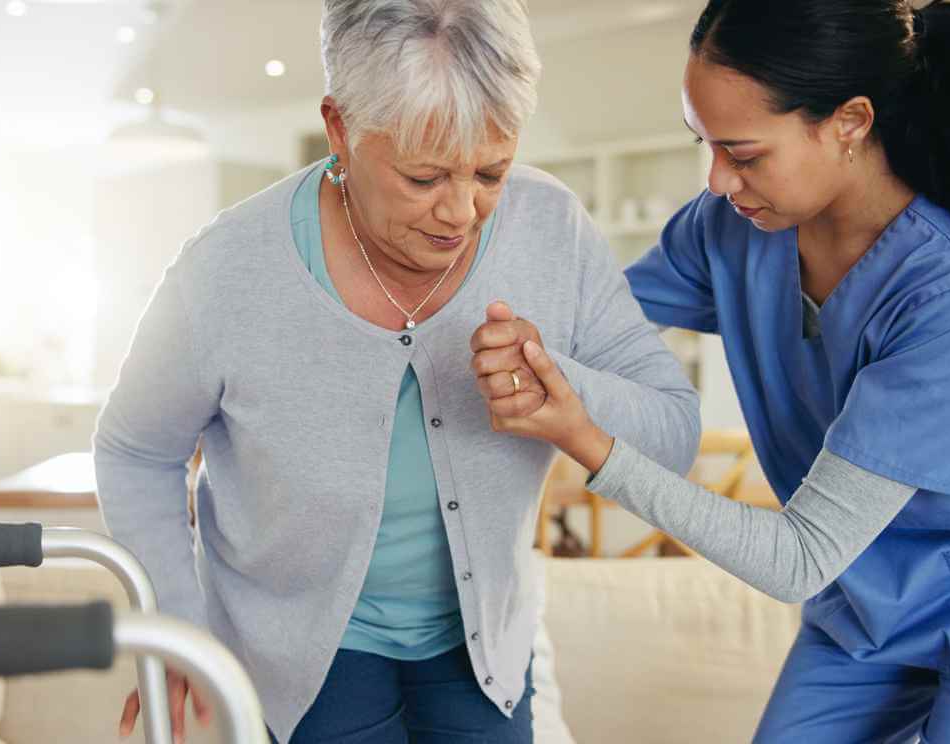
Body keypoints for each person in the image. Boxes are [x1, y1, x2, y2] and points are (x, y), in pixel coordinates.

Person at [473, 1, 950, 741]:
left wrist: (587, 440)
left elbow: (797, 559)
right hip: (868, 598)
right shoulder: (728, 228)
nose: (717, 179)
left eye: (743, 154)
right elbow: (585, 328)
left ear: (848, 122)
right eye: (706, 146)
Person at [95, 1, 699, 741]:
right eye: (423, 177)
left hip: (483, 647)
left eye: (490, 171)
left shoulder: (551, 227)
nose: (461, 212)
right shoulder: (224, 268)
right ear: (340, 130)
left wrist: (569, 396)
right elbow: (135, 451)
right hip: (297, 653)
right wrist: (179, 630)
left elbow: (672, 431)